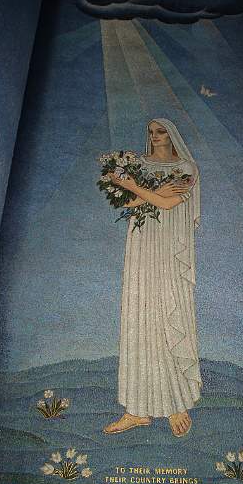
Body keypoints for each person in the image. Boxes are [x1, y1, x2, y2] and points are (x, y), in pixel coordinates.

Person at [103, 118, 201, 437]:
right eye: (150, 132)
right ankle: (136, 410)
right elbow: (129, 203)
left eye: (160, 132)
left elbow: (168, 201)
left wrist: (134, 186)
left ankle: (175, 403)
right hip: (143, 245)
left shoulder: (185, 167)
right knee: (139, 318)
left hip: (168, 249)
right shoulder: (141, 164)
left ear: (172, 134)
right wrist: (142, 190)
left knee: (166, 314)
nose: (154, 137)